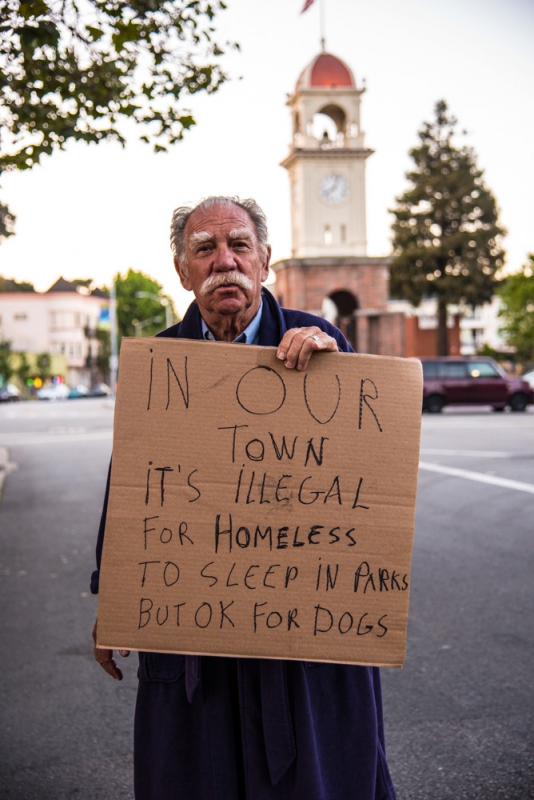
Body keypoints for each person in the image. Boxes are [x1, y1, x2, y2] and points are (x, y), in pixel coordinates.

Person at [91, 196, 397, 800]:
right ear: (183, 271)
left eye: (238, 246)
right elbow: (131, 484)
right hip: (194, 627)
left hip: (302, 635)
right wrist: (115, 595)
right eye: (204, 249)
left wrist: (334, 371)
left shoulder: (322, 342)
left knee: (318, 777)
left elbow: (364, 476)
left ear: (264, 261)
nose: (223, 261)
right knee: (197, 773)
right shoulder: (161, 364)